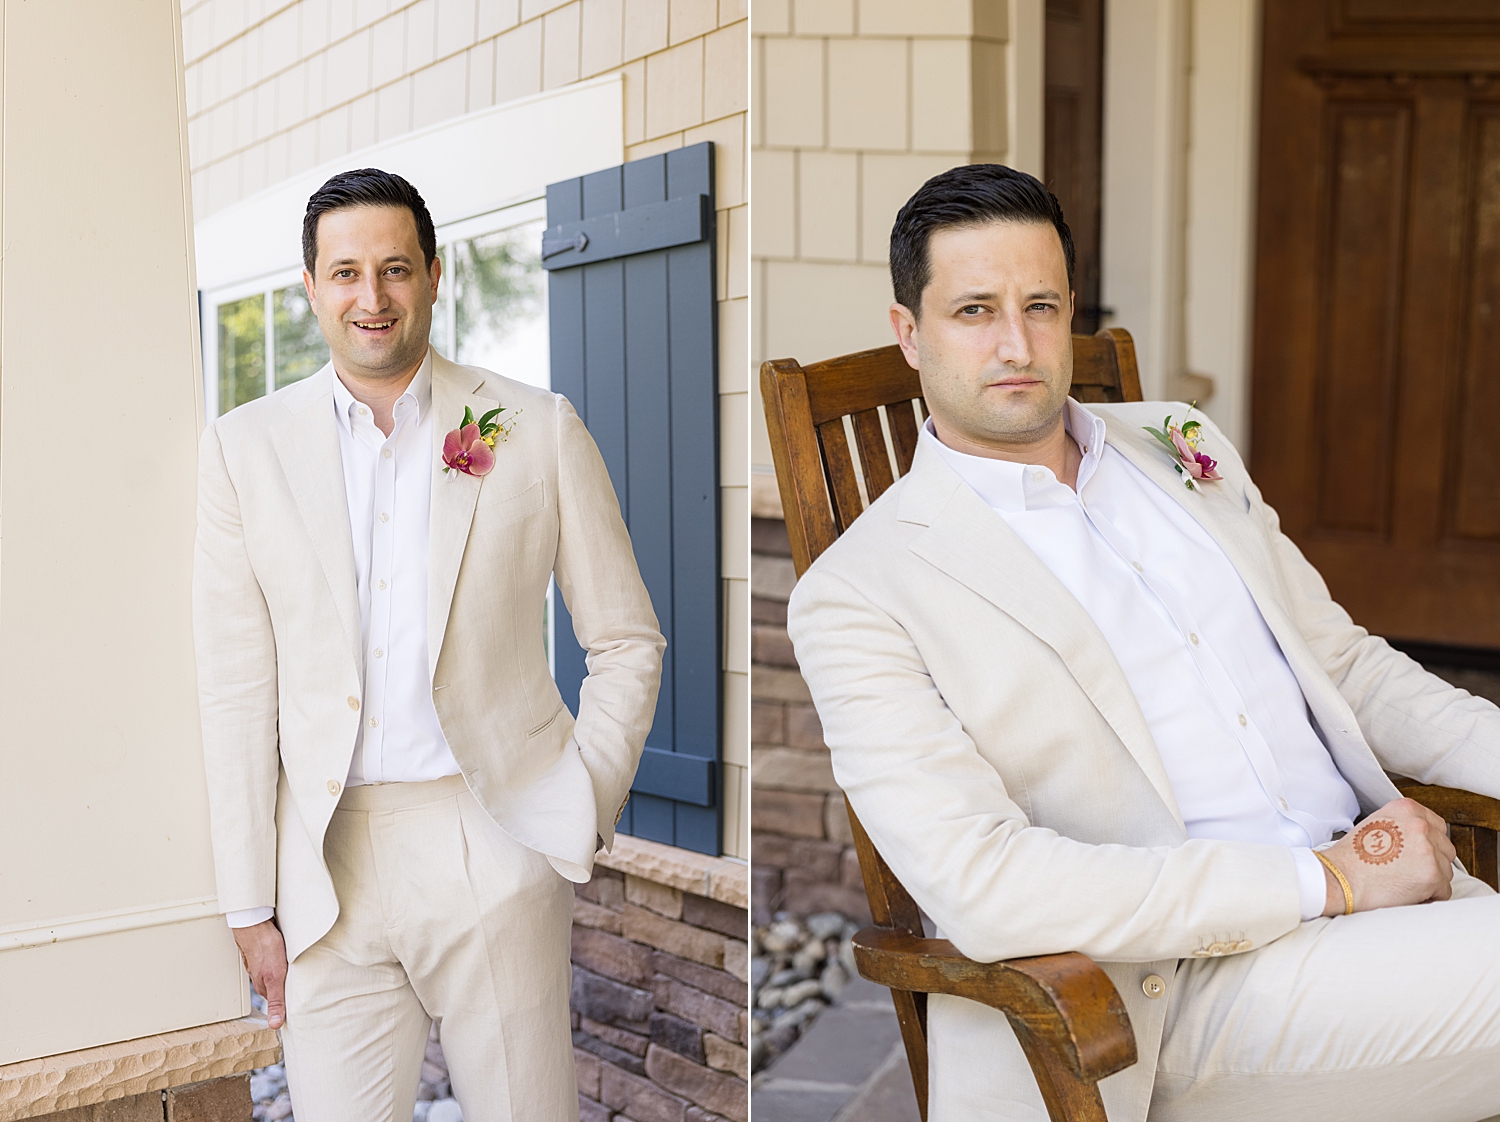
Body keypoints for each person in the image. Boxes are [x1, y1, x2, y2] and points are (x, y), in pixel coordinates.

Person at [784, 164, 1500, 1121]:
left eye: (1040, 305)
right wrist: (1327, 881)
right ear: (909, 333)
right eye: (973, 310)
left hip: (1389, 909)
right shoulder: (860, 592)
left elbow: (1346, 666)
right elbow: (982, 882)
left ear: (1071, 310)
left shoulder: (1175, 441)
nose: (1015, 343)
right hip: (1166, 992)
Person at [193, 168, 664, 1122]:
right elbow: (236, 687)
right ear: (311, 285)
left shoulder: (532, 428)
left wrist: (578, 801)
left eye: (396, 269)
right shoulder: (244, 450)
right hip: (324, 867)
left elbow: (626, 639)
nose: (373, 298)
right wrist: (248, 903)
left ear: (437, 276)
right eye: (347, 273)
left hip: (490, 834)